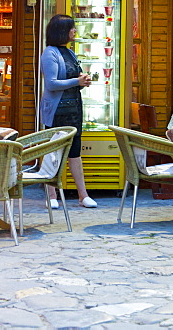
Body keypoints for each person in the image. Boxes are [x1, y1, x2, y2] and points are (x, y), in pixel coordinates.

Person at [40, 14, 97, 209]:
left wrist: (82, 82)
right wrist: (76, 81)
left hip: (74, 110)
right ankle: (52, 194)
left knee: (74, 152)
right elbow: (52, 83)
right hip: (56, 111)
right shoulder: (50, 53)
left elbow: (71, 81)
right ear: (62, 31)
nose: (74, 31)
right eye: (71, 28)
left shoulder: (70, 53)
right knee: (53, 152)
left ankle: (83, 195)